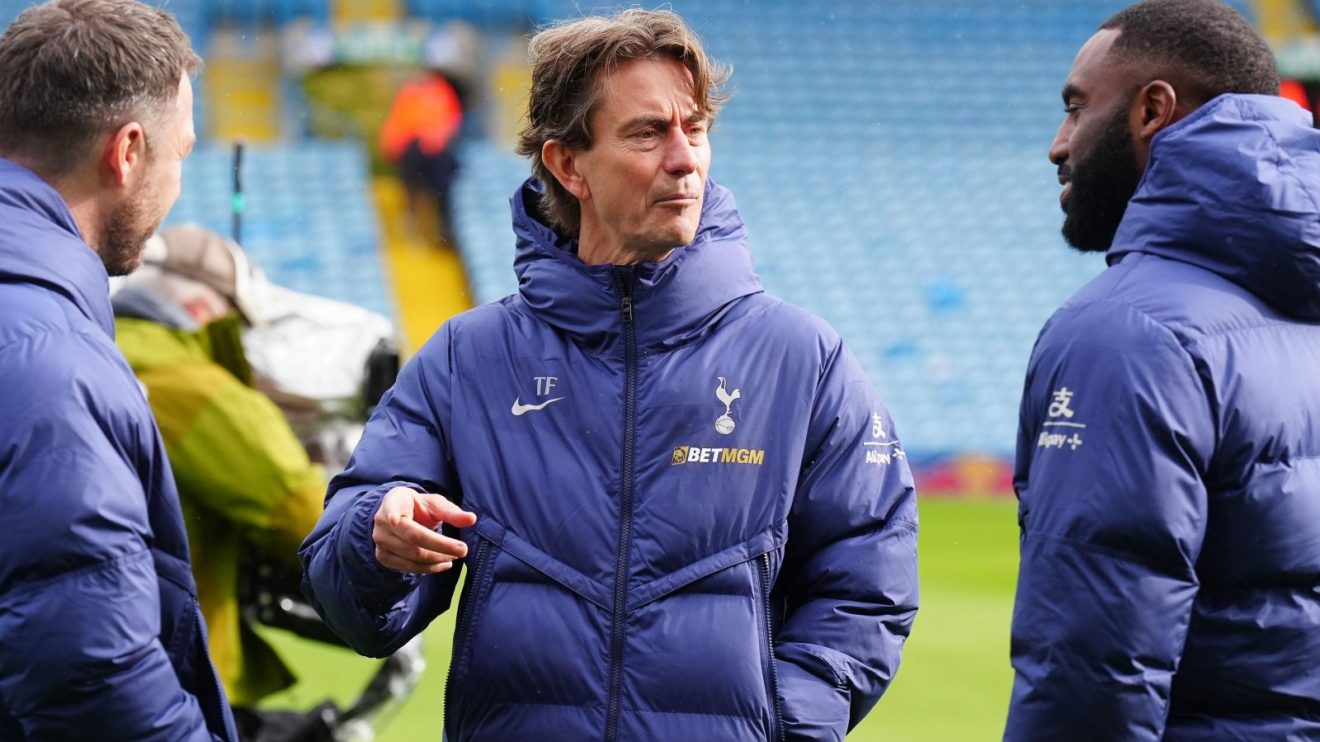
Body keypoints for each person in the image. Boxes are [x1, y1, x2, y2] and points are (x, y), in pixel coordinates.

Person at [301, 9, 918, 741]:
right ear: (568, 165)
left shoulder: (803, 360)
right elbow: (344, 577)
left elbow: (868, 581)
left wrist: (781, 724)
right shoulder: (468, 360)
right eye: (649, 132)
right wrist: (378, 539)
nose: (685, 157)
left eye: (695, 128)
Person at [1007, 1, 1320, 739]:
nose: (1059, 145)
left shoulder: (1125, 336)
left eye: (1076, 108)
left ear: (1152, 110)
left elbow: (1091, 673)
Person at [0, 0, 238, 739]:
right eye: (183, 152)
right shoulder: (48, 361)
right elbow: (90, 666)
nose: (178, 185)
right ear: (128, 150)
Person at [112, 225, 328, 739]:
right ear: (207, 312)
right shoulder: (196, 390)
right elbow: (309, 520)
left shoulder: (99, 355)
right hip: (176, 670)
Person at [378, 69, 464, 248]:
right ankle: (414, 232)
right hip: (414, 151)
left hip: (435, 153)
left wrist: (436, 138)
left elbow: (450, 121)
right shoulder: (410, 92)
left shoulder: (440, 91)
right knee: (413, 191)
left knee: (440, 193)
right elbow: (398, 123)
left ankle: (440, 232)